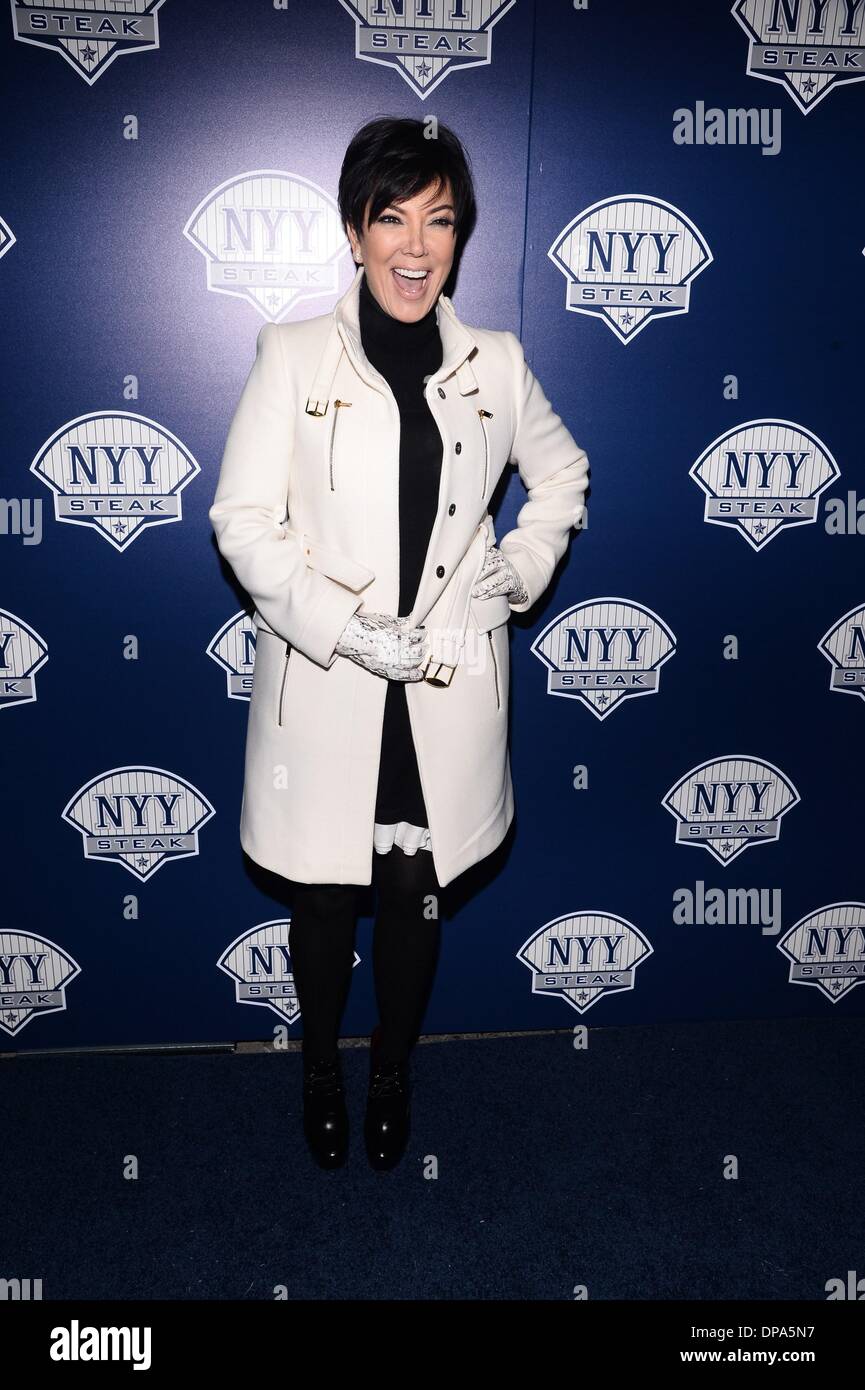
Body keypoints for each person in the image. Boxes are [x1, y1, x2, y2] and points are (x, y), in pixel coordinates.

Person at [209, 116, 589, 1172]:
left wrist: (517, 569)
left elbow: (561, 479)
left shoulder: (498, 365)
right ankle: (320, 1065)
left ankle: (390, 1068)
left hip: (445, 692)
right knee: (326, 901)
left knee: (414, 898)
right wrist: (343, 630)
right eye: (393, 218)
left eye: (441, 221)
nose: (416, 247)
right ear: (353, 229)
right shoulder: (290, 355)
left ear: (460, 238)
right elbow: (241, 521)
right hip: (329, 689)